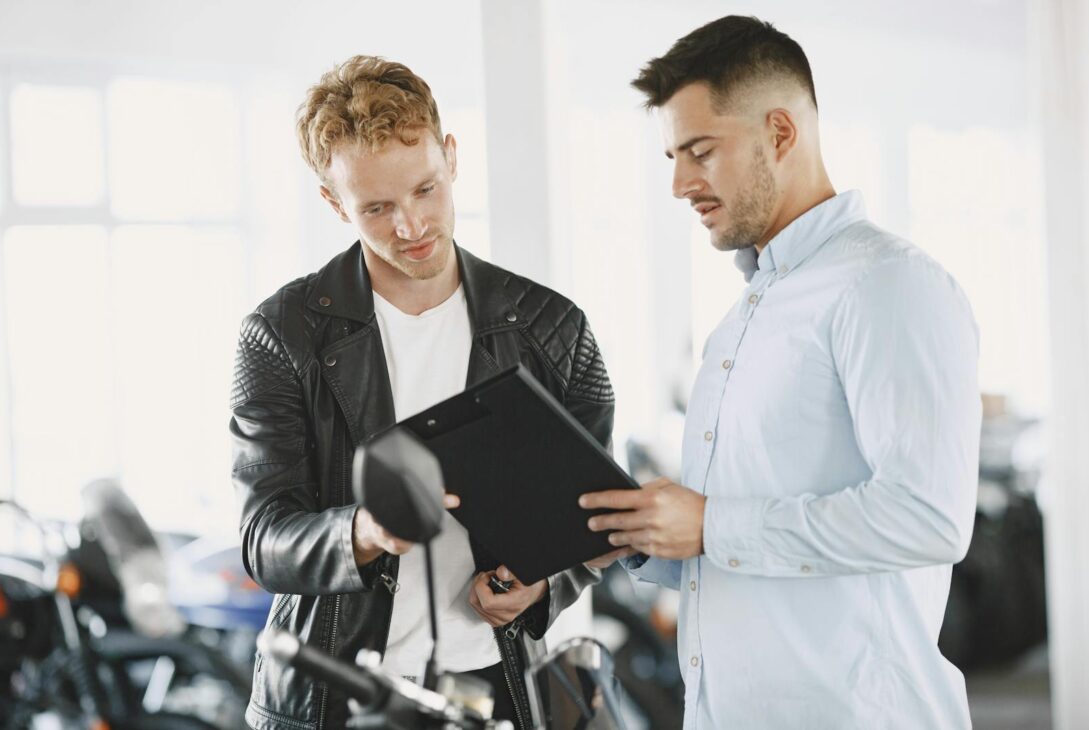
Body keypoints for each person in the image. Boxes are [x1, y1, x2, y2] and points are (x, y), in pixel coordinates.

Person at [580, 15, 980, 729]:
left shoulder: (886, 285)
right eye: (672, 156)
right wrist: (648, 532)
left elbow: (927, 517)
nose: (678, 184)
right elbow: (741, 543)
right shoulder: (741, 317)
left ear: (781, 134)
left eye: (699, 151)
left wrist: (711, 525)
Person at [230, 55, 614, 730]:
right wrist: (366, 530)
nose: (410, 227)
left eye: (425, 190)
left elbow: (595, 516)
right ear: (331, 201)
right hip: (334, 697)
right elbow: (263, 540)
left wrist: (542, 583)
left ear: (451, 157)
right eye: (375, 208)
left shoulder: (554, 328)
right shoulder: (279, 334)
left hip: (494, 687)